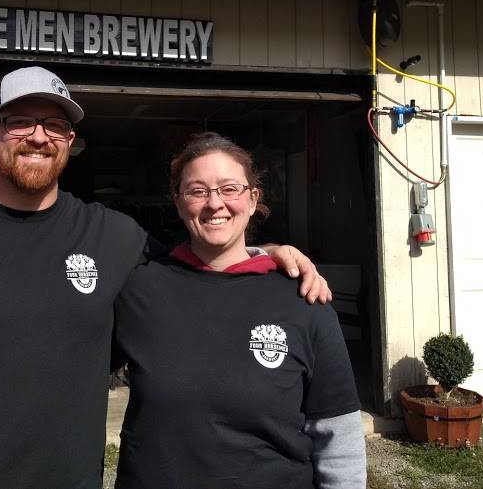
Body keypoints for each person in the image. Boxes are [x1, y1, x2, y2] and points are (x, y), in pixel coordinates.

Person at [0, 66, 331, 489]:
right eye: (20, 121)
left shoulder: (114, 238)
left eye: (54, 125)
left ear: (70, 141)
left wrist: (265, 249)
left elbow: (200, 265)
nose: (38, 136)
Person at [114, 132, 365, 489]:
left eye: (229, 189)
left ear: (252, 199)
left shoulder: (302, 298)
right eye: (197, 191)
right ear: (178, 202)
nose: (214, 203)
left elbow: (337, 433)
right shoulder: (140, 288)